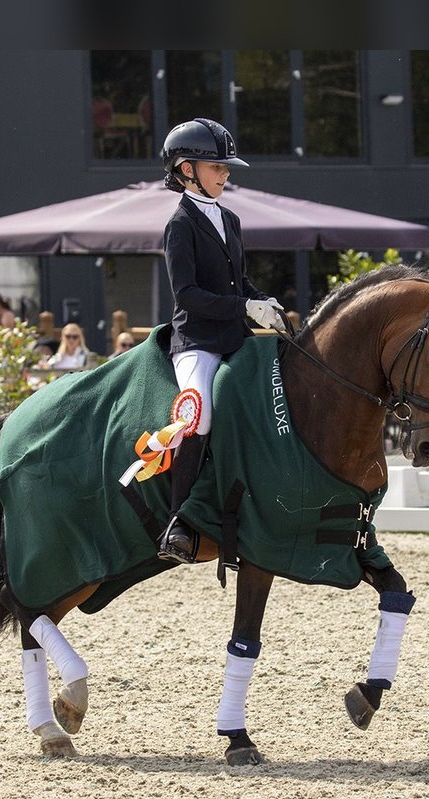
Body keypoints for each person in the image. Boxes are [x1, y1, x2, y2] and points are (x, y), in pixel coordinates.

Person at [156, 116, 285, 563]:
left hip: (235, 335)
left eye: (227, 168)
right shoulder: (180, 225)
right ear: (187, 169)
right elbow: (187, 294)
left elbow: (238, 282)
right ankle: (178, 522)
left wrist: (262, 301)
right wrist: (244, 308)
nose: (226, 174)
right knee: (201, 416)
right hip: (197, 340)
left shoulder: (229, 219)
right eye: (218, 168)